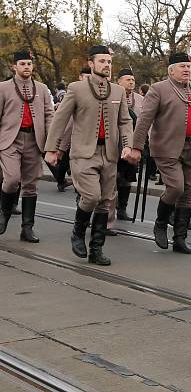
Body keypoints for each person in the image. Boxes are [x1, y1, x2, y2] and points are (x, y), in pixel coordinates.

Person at [44, 45, 136, 266]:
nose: (107, 65)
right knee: (92, 196)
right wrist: (51, 149)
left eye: (109, 62)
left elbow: (125, 121)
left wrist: (127, 145)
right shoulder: (76, 89)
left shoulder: (118, 91)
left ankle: (96, 249)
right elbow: (60, 119)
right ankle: (77, 231)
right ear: (92, 63)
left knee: (105, 202)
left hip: (110, 153)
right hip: (84, 153)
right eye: (102, 61)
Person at [129, 53, 191, 254]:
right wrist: (136, 147)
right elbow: (144, 120)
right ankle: (160, 223)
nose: (187, 69)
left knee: (188, 192)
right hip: (167, 148)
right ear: (171, 70)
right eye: (182, 66)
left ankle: (180, 238)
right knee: (176, 187)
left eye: (189, 66)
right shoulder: (158, 89)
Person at [0, 50, 54, 242]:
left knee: (31, 185)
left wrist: (51, 143)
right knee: (12, 179)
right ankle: (4, 213)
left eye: (29, 64)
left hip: (34, 140)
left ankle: (27, 228)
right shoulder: (3, 88)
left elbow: (49, 115)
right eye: (22, 64)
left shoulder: (41, 88)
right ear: (14, 66)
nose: (26, 67)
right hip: (9, 140)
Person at [108, 68, 142, 228]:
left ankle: (122, 208)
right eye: (127, 79)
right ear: (118, 81)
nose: (131, 82)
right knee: (113, 178)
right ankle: (107, 211)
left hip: (133, 145)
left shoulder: (141, 100)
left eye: (133, 79)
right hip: (114, 143)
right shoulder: (111, 95)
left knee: (126, 179)